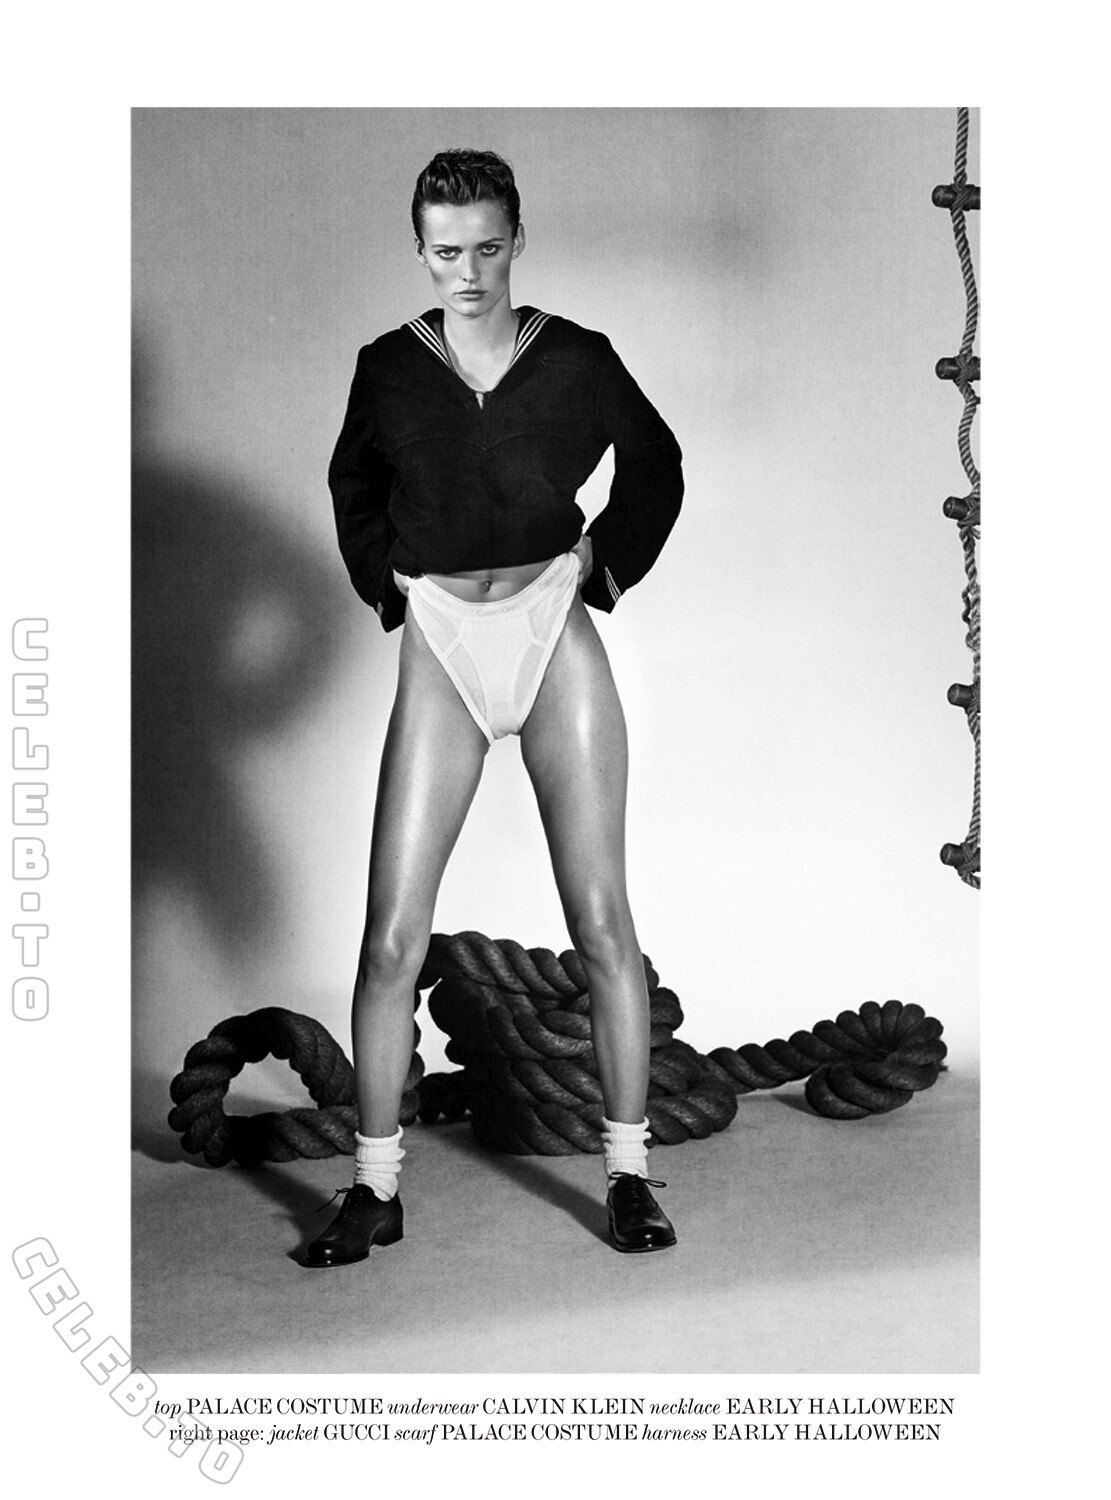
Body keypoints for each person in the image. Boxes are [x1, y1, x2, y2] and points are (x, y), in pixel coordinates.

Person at [307, 149, 683, 1268]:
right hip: (443, 644)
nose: (465, 272)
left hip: (550, 631)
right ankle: (374, 1190)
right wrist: (388, 579)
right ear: (420, 251)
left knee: (602, 919)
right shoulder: (387, 367)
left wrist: (601, 563)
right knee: (390, 935)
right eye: (444, 253)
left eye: (484, 248)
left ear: (516, 240)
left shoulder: (576, 357)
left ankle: (628, 1176)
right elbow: (353, 486)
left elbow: (655, 462)